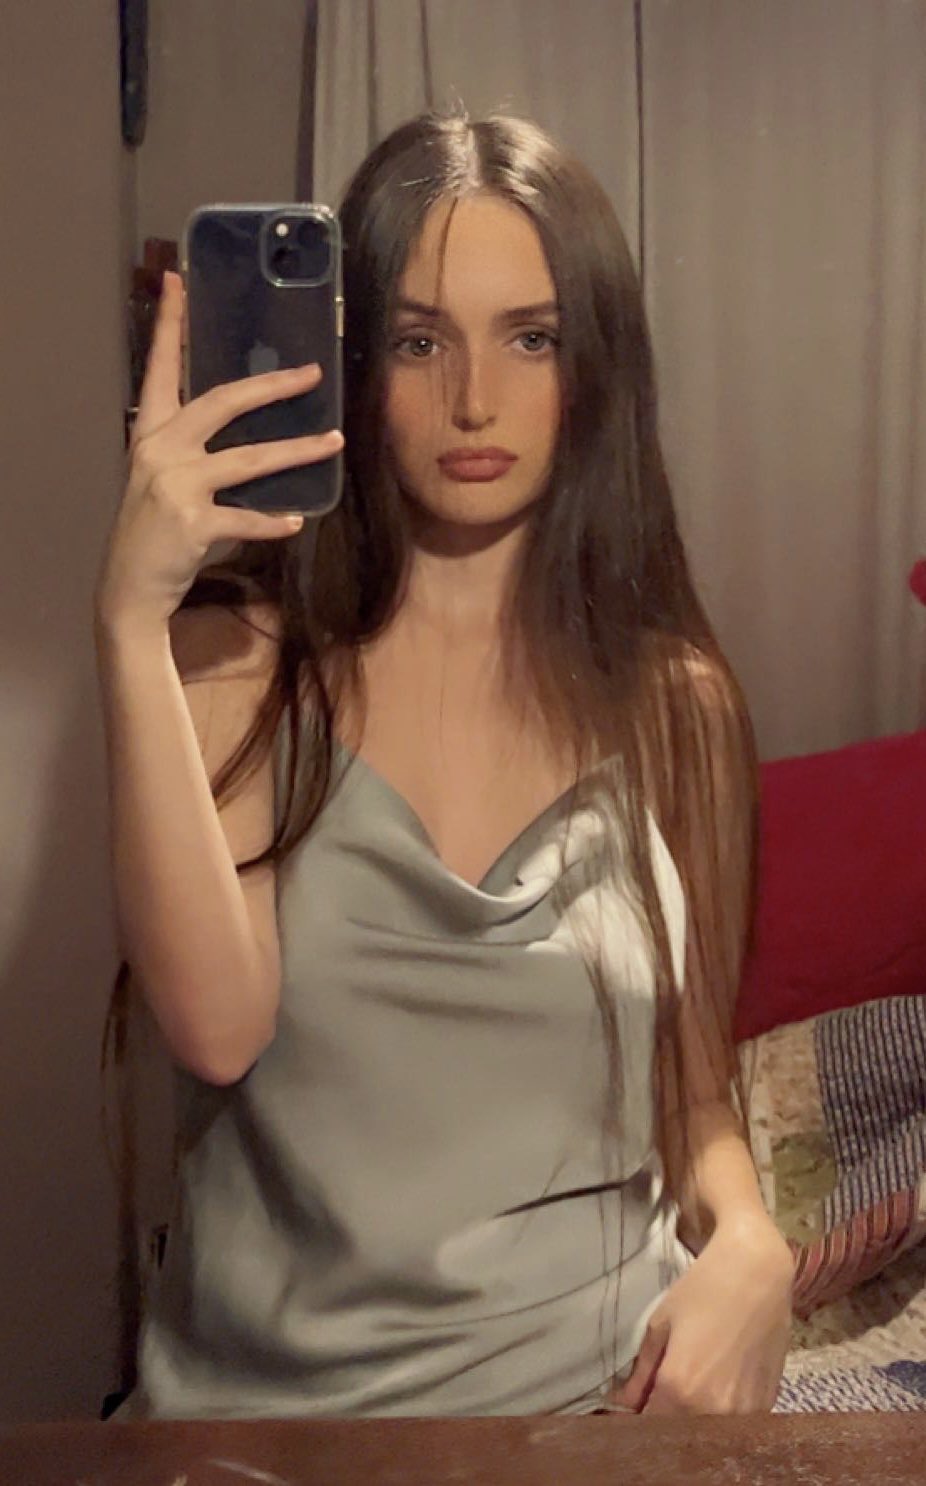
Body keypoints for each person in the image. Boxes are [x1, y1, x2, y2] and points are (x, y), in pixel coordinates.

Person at [94, 109, 794, 1420]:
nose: (475, 399)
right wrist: (133, 621)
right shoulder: (238, 660)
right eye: (420, 341)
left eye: (531, 338)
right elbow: (213, 1025)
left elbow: (691, 1089)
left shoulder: (675, 707)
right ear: (353, 360)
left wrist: (755, 1245)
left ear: (593, 365)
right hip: (272, 1432)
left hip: (595, 1417)